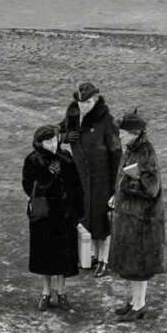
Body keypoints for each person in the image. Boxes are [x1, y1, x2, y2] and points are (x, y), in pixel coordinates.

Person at [107, 110, 165, 320]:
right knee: (132, 264)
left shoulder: (145, 153)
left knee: (139, 266)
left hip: (141, 220)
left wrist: (128, 186)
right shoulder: (133, 149)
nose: (119, 136)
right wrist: (117, 196)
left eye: (122, 132)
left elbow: (151, 189)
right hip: (132, 217)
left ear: (134, 133)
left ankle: (139, 306)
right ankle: (134, 301)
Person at [59, 81, 120, 278]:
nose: (83, 107)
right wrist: (68, 137)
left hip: (101, 180)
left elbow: (116, 153)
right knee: (85, 218)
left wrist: (115, 188)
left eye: (87, 103)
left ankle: (104, 259)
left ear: (95, 100)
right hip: (80, 179)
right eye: (80, 103)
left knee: (103, 222)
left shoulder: (106, 121)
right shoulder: (73, 116)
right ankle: (92, 255)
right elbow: (56, 133)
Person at [23, 124, 82, 311]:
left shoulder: (66, 158)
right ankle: (46, 292)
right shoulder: (33, 160)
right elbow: (28, 187)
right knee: (45, 255)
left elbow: (76, 185)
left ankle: (62, 292)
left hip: (64, 214)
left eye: (55, 139)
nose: (53, 143)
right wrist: (48, 176)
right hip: (44, 214)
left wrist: (78, 210)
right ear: (40, 142)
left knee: (63, 256)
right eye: (48, 141)